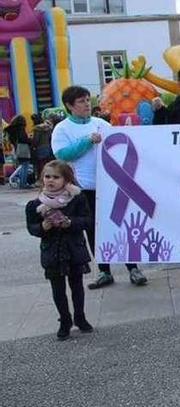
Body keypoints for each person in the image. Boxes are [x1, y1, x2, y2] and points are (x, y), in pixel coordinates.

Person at [52, 85, 147, 289]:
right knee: (93, 230)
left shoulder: (100, 123)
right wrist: (87, 141)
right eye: (81, 101)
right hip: (84, 188)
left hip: (111, 185)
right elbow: (62, 154)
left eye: (88, 100)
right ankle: (105, 271)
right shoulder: (62, 129)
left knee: (122, 224)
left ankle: (133, 268)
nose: (87, 104)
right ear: (69, 105)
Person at [25, 160, 94, 340]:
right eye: (47, 176)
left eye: (56, 177)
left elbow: (88, 221)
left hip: (74, 249)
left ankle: (80, 317)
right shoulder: (35, 205)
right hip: (52, 252)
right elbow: (32, 228)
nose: (51, 180)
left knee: (77, 286)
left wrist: (70, 223)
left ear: (66, 179)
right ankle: (65, 320)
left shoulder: (77, 198)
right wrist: (43, 227)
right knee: (57, 289)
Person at [5, 115, 32, 187]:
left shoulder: (12, 130)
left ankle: (22, 183)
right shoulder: (20, 129)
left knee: (22, 165)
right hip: (23, 149)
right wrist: (29, 140)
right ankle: (23, 183)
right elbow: (23, 139)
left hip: (17, 149)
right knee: (25, 166)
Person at [31, 112, 57, 183]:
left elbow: (36, 140)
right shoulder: (48, 128)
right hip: (47, 147)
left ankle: (41, 179)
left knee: (40, 165)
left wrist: (33, 146)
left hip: (40, 148)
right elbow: (50, 138)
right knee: (47, 164)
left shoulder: (37, 129)